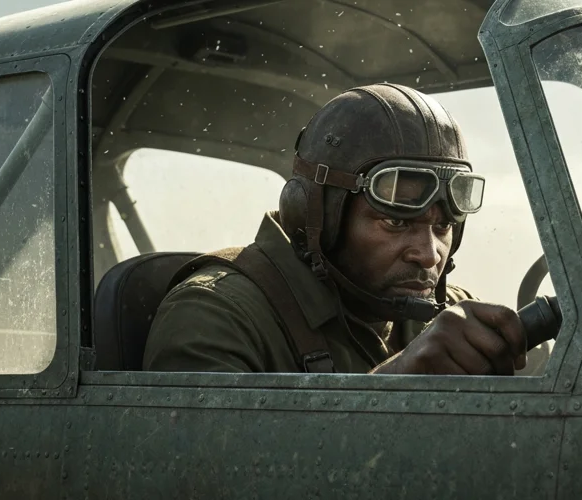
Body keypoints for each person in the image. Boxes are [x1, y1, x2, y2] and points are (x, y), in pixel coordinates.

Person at [142, 83, 527, 375]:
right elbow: (217, 476)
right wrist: (396, 387)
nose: (428, 254)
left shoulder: (449, 313)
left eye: (442, 226)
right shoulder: (214, 315)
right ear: (316, 217)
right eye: (395, 222)